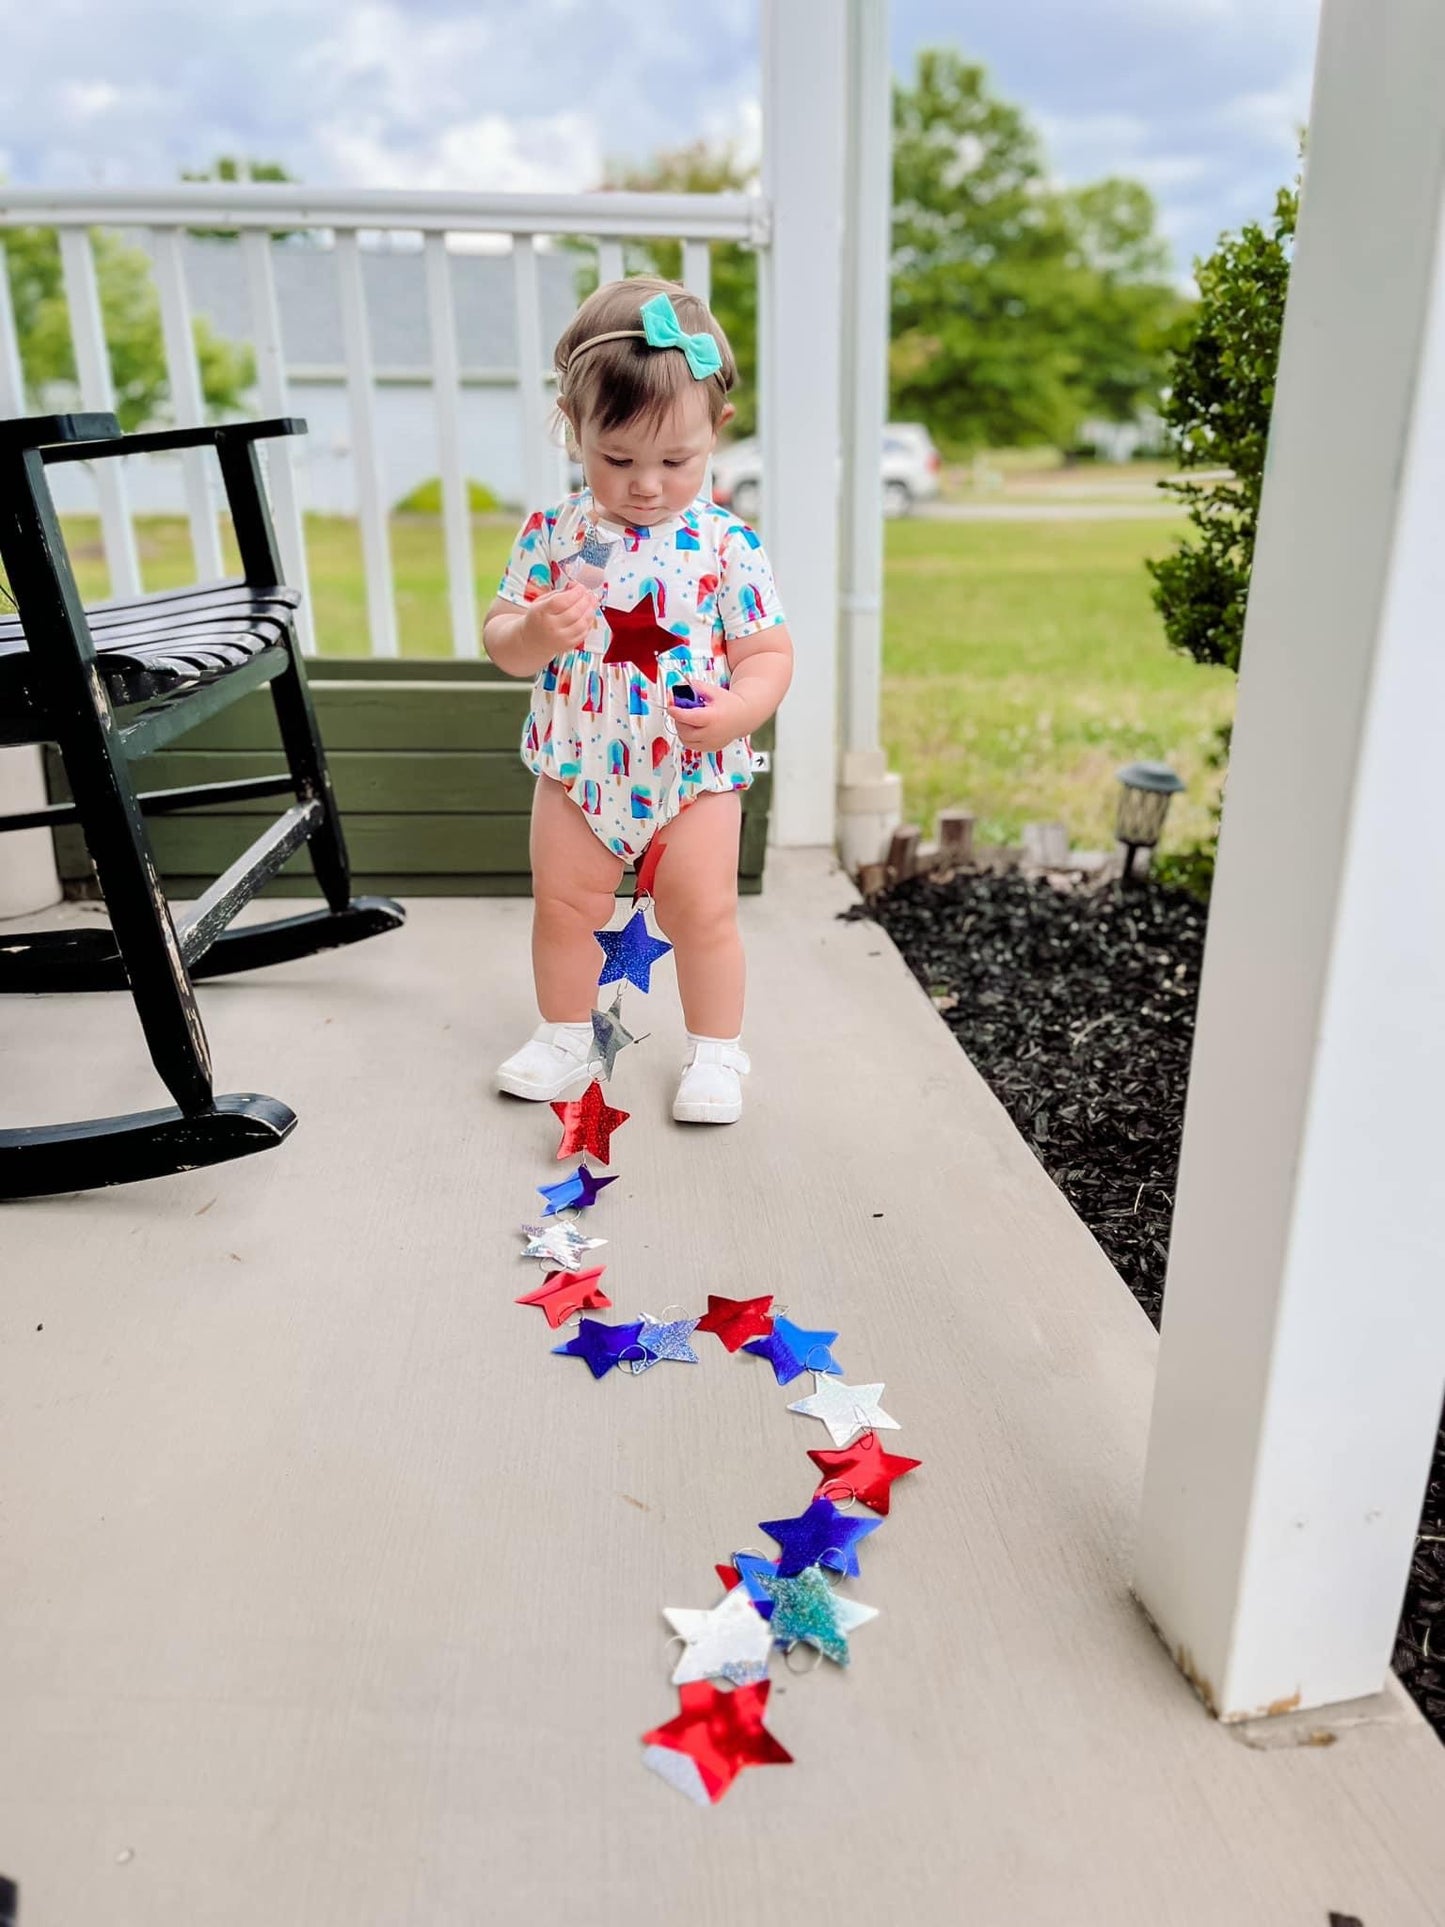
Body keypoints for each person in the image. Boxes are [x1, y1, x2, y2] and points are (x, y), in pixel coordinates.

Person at [483, 276, 794, 1124]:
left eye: (676, 460)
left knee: (703, 913)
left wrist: (738, 710)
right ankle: (561, 1031)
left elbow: (766, 651)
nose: (647, 484)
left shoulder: (727, 542)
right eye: (617, 459)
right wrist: (535, 633)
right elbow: (502, 638)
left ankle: (716, 1051)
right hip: (578, 765)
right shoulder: (553, 535)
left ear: (716, 433)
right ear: (573, 428)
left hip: (693, 771)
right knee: (567, 906)